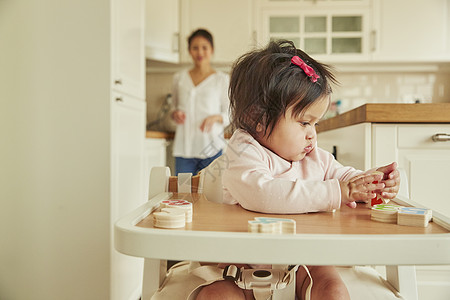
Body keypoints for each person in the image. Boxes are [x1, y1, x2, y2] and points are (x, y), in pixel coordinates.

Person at [196, 40, 401, 300]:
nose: (312, 135)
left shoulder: (314, 157)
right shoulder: (242, 154)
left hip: (302, 262)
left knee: (333, 290)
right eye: (304, 122)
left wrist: (370, 183)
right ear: (257, 118)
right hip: (239, 267)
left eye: (315, 124)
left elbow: (344, 177)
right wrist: (337, 192)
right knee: (217, 296)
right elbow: (263, 194)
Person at [171, 29, 230, 175]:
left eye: (204, 47)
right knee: (182, 193)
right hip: (184, 148)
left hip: (212, 148)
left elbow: (231, 113)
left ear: (212, 50)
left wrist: (215, 117)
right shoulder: (179, 78)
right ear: (189, 51)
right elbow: (174, 109)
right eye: (195, 48)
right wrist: (175, 114)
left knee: (210, 195)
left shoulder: (221, 80)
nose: (200, 52)